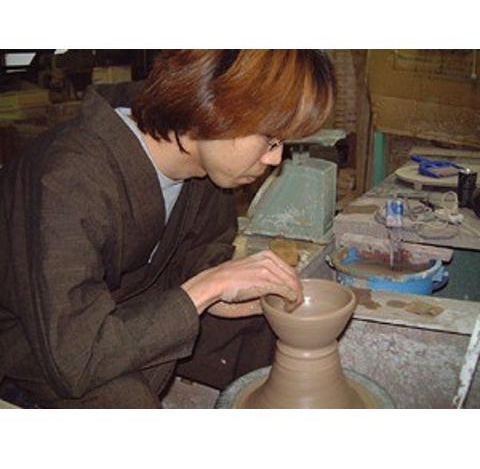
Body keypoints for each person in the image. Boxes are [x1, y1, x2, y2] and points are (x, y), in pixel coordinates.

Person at [0, 50, 336, 408]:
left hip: (128, 305)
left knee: (265, 325)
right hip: (40, 335)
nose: (275, 158)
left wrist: (224, 293)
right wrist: (205, 289)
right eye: (270, 139)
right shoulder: (69, 178)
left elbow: (200, 253)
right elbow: (75, 357)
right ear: (214, 107)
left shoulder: (206, 164)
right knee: (124, 402)